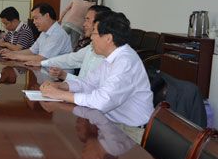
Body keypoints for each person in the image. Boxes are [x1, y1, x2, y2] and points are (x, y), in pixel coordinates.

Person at [40, 11, 154, 143]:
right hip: (110, 123)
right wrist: (60, 86)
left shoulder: (125, 62)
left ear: (108, 38)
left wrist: (60, 95)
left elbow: (102, 101)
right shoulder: (110, 57)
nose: (91, 38)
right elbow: (88, 83)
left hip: (130, 131)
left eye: (94, 33)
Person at [25, 5, 111, 81]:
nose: (84, 24)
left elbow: (91, 87)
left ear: (100, 23)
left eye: (87, 20)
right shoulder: (90, 47)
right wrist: (62, 75)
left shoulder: (109, 55)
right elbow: (71, 59)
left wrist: (63, 80)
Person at [1, 3, 72, 63]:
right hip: (46, 71)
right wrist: (11, 53)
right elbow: (32, 51)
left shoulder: (57, 34)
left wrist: (15, 56)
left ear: (47, 16)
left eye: (36, 18)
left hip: (58, 74)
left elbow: (41, 58)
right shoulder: (44, 32)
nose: (34, 22)